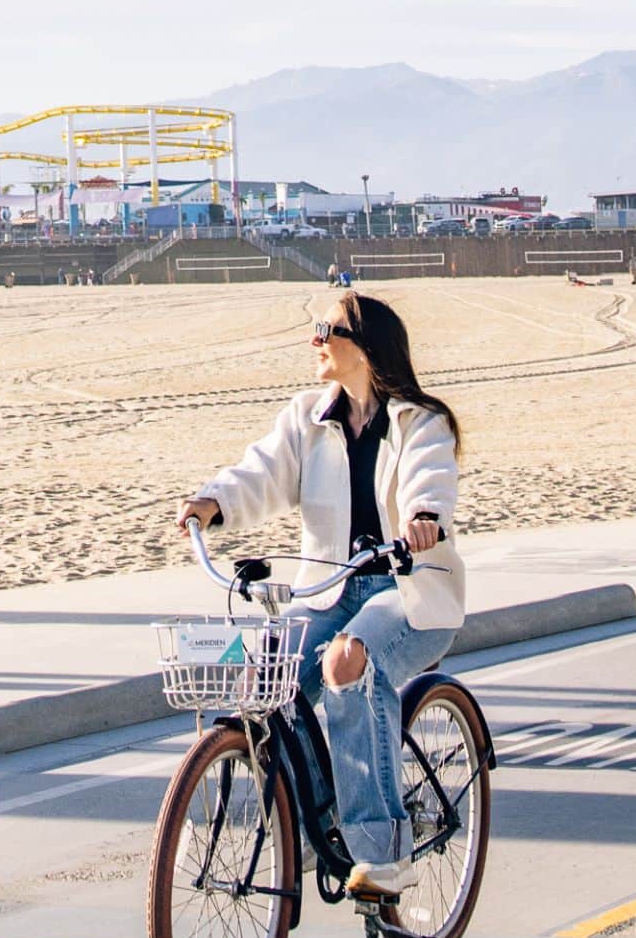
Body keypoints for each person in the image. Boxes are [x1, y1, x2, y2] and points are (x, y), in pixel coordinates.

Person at [176, 292, 465, 900]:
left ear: (365, 346)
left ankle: (382, 850)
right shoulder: (306, 416)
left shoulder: (420, 421)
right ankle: (315, 823)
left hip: (408, 591)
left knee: (347, 662)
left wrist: (423, 516)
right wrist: (215, 502)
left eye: (326, 329)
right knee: (263, 680)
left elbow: (429, 475)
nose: (315, 340)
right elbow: (262, 473)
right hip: (329, 588)